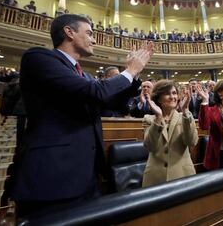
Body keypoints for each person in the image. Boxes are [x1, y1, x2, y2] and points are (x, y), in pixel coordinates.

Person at [12, 14, 154, 218]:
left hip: (87, 176)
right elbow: (95, 92)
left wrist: (135, 75)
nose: (94, 39)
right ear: (69, 32)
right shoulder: (39, 58)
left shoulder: (84, 76)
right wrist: (130, 71)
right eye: (89, 33)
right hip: (51, 179)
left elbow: (114, 104)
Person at [142, 80, 198, 187]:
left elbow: (191, 142)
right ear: (158, 98)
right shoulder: (149, 119)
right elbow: (149, 146)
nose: (172, 97)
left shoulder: (185, 117)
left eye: (174, 93)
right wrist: (158, 118)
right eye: (167, 94)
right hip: (155, 178)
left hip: (182, 175)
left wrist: (185, 111)